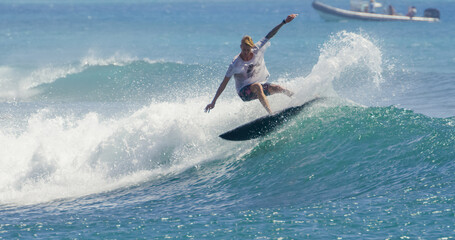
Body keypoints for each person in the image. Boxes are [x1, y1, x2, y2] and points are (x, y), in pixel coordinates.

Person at [204, 14, 298, 115]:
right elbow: (224, 83)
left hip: (258, 87)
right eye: (244, 49)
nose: (245, 52)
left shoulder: (257, 49)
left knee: (279, 88)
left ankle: (299, 98)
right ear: (240, 47)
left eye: (248, 50)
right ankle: (271, 114)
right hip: (244, 93)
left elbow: (270, 34)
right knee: (257, 86)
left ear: (252, 47)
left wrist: (284, 22)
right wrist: (213, 102)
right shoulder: (235, 63)